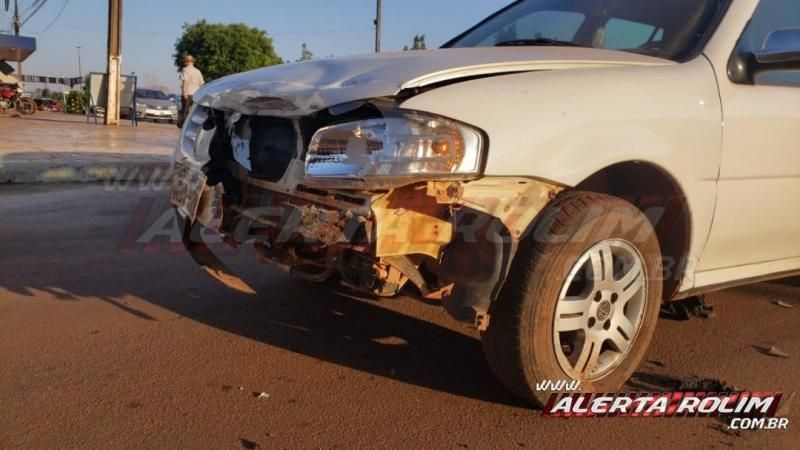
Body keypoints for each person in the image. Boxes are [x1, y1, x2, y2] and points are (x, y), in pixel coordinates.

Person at [178, 54, 204, 128]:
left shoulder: (185, 69)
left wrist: (184, 93)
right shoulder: (198, 71)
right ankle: (193, 126)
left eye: (185, 62)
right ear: (192, 62)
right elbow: (201, 84)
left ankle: (182, 126)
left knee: (185, 111)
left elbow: (185, 82)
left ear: (186, 62)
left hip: (188, 93)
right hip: (196, 94)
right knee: (194, 112)